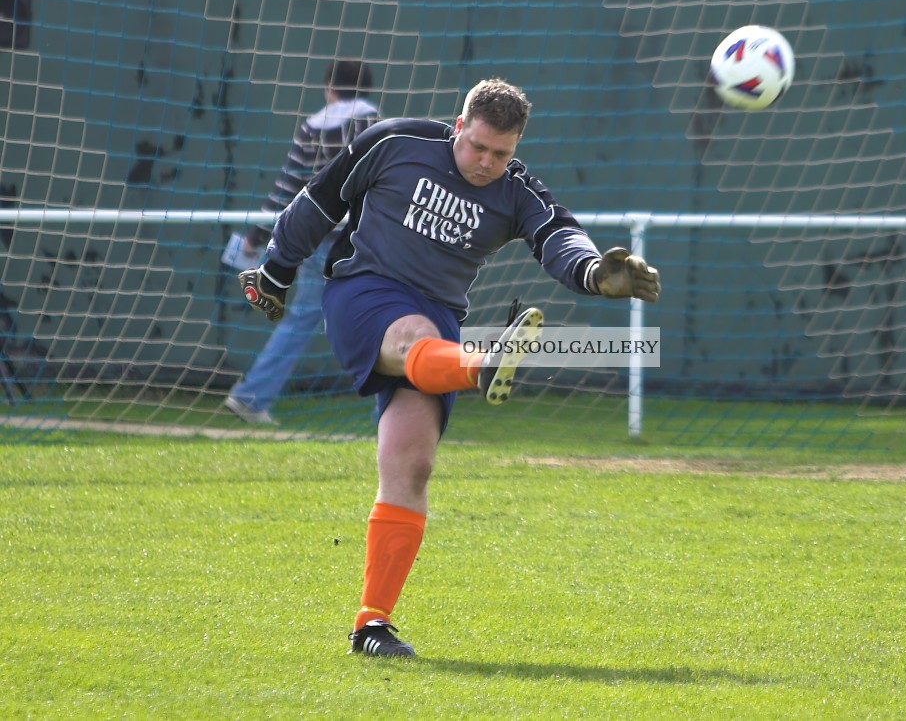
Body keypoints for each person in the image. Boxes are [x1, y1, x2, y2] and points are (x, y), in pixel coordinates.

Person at [237, 78, 661, 658]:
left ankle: (371, 625)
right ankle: (484, 363)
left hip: (438, 322)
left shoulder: (516, 189)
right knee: (415, 335)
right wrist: (276, 271)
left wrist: (593, 272)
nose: (487, 163)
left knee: (413, 464)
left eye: (501, 153)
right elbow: (317, 203)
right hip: (363, 289)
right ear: (458, 127)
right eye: (478, 147)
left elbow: (559, 236)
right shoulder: (394, 142)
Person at [224, 60, 380, 424]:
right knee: (382, 316)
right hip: (362, 242)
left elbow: (288, 186)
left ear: (329, 87)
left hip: (317, 239)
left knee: (300, 319)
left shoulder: (311, 126)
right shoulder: (373, 125)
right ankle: (389, 408)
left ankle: (252, 395)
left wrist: (256, 236)